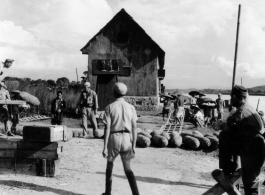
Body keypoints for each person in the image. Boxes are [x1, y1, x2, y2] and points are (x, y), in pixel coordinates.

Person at [218, 85, 265, 195]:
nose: (230, 99)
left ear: (234, 96)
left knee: (250, 181)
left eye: (231, 97)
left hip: (253, 150)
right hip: (250, 147)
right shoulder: (247, 108)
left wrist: (227, 122)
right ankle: (232, 165)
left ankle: (229, 167)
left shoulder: (241, 112)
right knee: (225, 135)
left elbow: (226, 129)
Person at [102, 82, 140, 195]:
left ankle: (108, 193)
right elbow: (134, 127)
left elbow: (107, 128)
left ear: (114, 92)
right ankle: (136, 194)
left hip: (114, 137)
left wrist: (104, 147)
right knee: (128, 169)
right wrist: (133, 144)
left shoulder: (109, 107)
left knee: (109, 165)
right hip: (127, 138)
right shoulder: (131, 107)